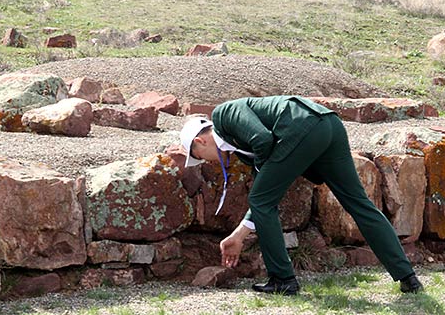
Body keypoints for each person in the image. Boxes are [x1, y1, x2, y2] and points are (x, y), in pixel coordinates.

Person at [179, 95, 423, 296]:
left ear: (200, 141)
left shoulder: (224, 114)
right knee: (358, 203)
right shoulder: (239, 148)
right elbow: (265, 192)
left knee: (262, 198)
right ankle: (407, 277)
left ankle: (282, 279)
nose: (204, 161)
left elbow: (263, 140)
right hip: (327, 125)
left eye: (199, 157)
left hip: (303, 126)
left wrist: (269, 177)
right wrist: (240, 235)